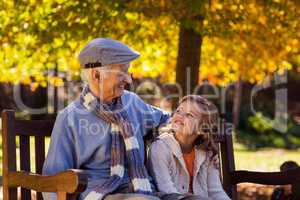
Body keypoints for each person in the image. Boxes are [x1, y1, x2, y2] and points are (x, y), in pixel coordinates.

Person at [42, 38, 169, 200]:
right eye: (122, 72)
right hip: (101, 194)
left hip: (144, 189)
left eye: (128, 72)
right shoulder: (70, 118)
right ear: (96, 75)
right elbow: (53, 180)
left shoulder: (132, 102)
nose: (129, 80)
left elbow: (167, 121)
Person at [148, 95, 231, 200]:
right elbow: (167, 191)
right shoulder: (160, 147)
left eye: (189, 115)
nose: (180, 116)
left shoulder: (207, 153)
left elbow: (216, 192)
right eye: (178, 111)